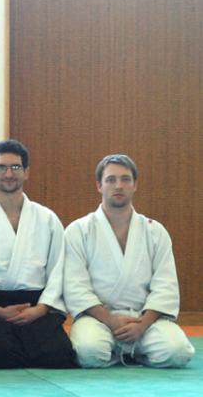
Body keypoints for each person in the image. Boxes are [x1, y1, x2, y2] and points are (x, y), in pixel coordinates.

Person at [64, 154, 194, 368]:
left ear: (135, 185)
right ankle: (128, 352)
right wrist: (111, 320)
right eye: (111, 179)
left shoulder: (155, 231)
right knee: (89, 352)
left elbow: (165, 285)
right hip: (98, 319)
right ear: (99, 185)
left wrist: (142, 324)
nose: (118, 186)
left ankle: (129, 352)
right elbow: (75, 287)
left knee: (177, 352)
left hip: (143, 319)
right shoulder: (78, 231)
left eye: (125, 179)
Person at [0, 140, 75, 368]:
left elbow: (59, 270)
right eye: (1, 167)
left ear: (26, 172)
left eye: (15, 167)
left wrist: (41, 308)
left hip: (37, 306)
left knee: (58, 354)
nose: (9, 174)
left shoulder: (47, 219)